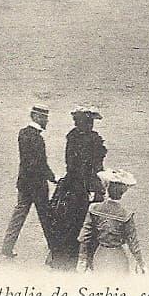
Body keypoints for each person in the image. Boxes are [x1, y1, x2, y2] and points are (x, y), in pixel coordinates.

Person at [48, 105, 107, 269]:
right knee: (88, 221)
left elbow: (70, 164)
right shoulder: (94, 140)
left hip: (72, 184)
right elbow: (96, 167)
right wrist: (97, 186)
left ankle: (63, 256)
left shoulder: (72, 137)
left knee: (66, 220)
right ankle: (89, 259)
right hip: (85, 186)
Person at [1, 105, 56, 259]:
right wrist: (52, 178)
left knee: (18, 215)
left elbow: (28, 162)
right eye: (44, 117)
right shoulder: (37, 138)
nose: (47, 120)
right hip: (37, 186)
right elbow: (40, 163)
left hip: (24, 183)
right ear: (36, 117)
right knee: (46, 218)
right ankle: (55, 249)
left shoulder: (23, 133)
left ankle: (7, 247)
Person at [76, 169, 146, 274]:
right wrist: (141, 264)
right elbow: (133, 243)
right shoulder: (125, 214)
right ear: (122, 192)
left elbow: (84, 237)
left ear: (106, 188)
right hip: (118, 257)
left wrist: (82, 259)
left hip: (101, 255)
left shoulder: (94, 209)